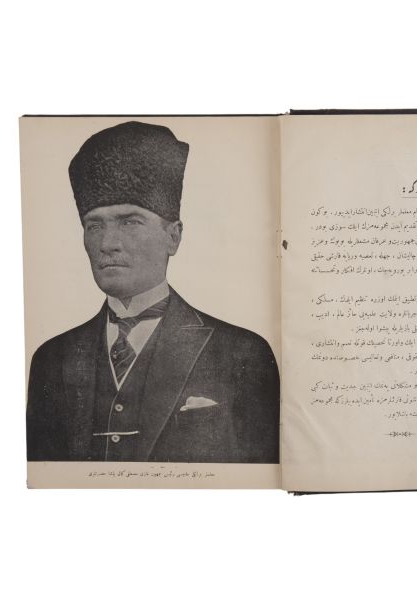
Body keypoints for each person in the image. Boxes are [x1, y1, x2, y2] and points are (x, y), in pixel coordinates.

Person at [26, 121, 280, 463]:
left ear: (173, 237)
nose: (108, 243)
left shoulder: (242, 354)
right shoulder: (52, 359)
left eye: (130, 222)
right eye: (94, 225)